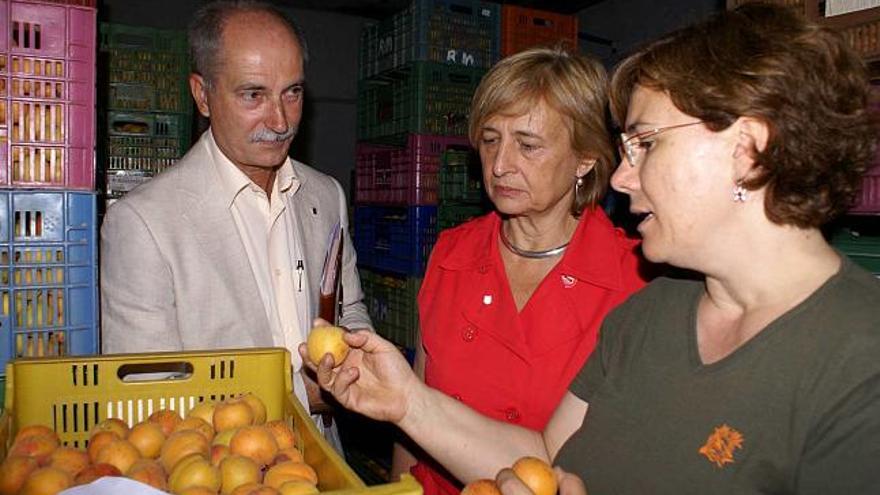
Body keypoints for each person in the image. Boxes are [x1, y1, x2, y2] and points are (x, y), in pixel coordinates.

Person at [304, 3, 880, 493]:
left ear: (748, 151)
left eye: (646, 144)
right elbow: (549, 460)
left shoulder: (858, 360)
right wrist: (408, 402)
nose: (623, 179)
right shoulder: (650, 316)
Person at [100, 0, 371, 447]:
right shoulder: (143, 222)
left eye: (293, 92)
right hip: (219, 468)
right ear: (202, 95)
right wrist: (302, 397)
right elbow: (147, 404)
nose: (280, 121)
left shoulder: (326, 196)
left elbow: (349, 310)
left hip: (324, 460)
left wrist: (354, 364)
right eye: (253, 95)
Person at [391, 47, 647, 494]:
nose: (501, 164)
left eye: (527, 145)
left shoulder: (631, 281)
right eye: (491, 140)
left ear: (585, 158)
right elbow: (411, 402)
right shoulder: (451, 253)